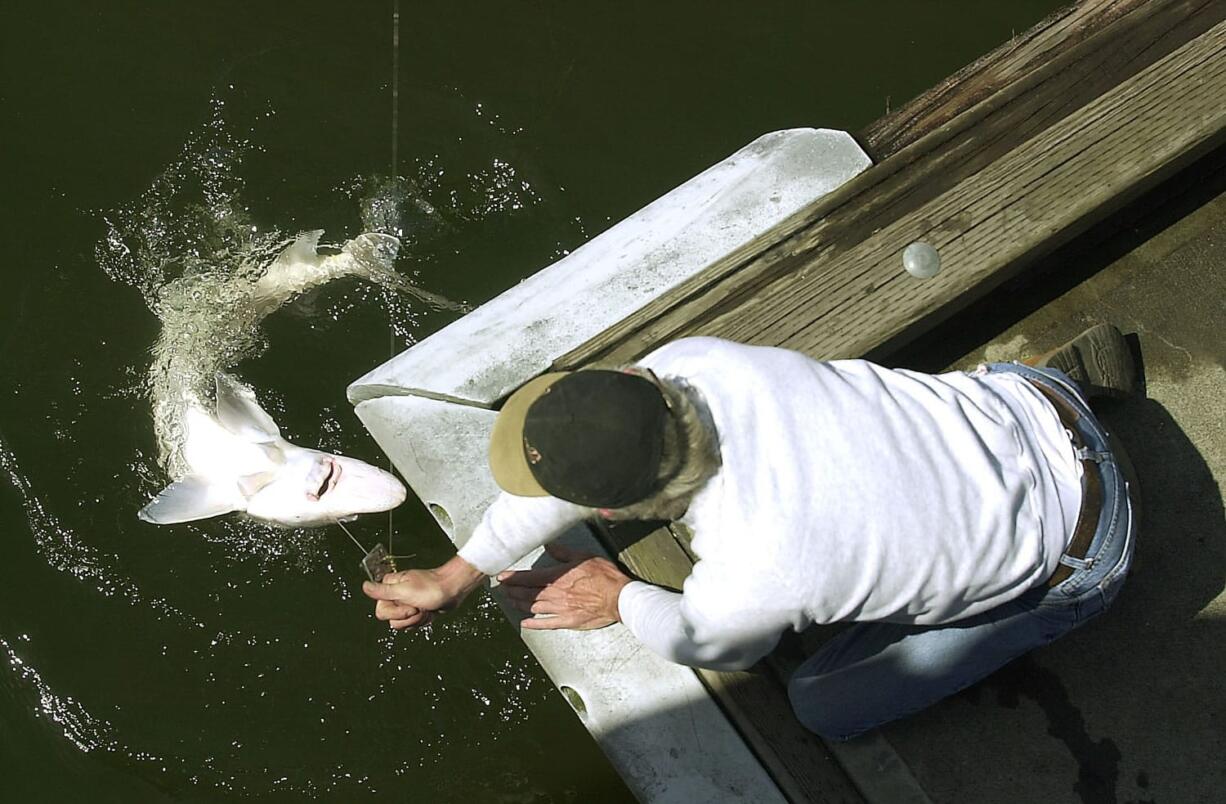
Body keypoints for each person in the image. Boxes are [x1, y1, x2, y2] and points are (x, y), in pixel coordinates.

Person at [362, 325, 1138, 739]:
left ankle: (1053, 599)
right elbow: (583, 469)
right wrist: (455, 573)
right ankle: (1078, 399)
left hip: (1084, 551)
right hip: (1028, 399)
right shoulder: (697, 366)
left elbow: (708, 642)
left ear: (613, 513)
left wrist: (623, 596)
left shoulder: (752, 571)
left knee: (822, 704)